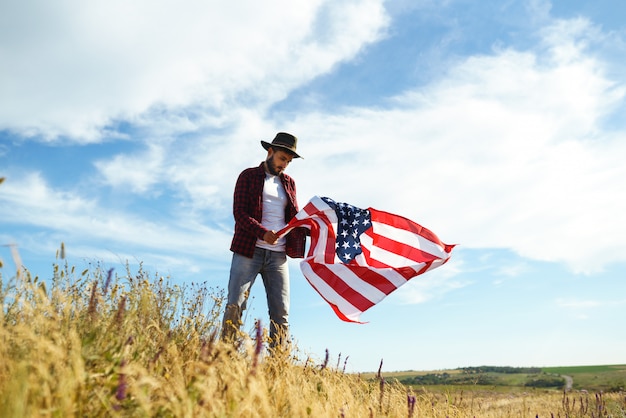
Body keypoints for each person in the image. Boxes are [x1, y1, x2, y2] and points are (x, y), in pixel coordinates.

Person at [221, 132, 306, 348]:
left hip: (278, 256)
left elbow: (294, 218)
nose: (285, 165)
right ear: (270, 152)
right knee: (235, 305)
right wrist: (263, 233)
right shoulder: (247, 176)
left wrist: (317, 228)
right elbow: (239, 213)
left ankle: (278, 365)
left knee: (281, 312)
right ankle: (224, 359)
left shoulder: (289, 184)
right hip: (248, 251)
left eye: (288, 161)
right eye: (282, 159)